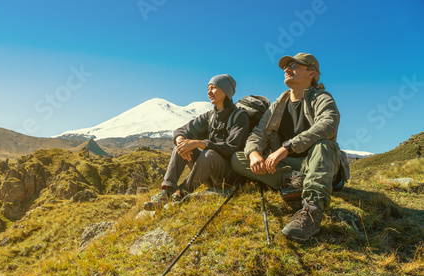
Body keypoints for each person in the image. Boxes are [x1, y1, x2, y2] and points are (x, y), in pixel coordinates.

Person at [231, 53, 349, 241]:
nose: (287, 69)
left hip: (318, 163)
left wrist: (287, 147)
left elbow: (329, 124)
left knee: (324, 145)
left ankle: (312, 213)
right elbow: (259, 132)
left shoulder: (322, 98)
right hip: (290, 166)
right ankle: (293, 181)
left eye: (294, 65)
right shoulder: (280, 102)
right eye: (286, 66)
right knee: (238, 158)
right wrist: (253, 153)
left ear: (311, 73)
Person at [144, 74, 250, 210]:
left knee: (210, 154)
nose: (209, 92)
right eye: (208, 88)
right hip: (207, 173)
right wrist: (181, 140)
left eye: (214, 88)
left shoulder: (240, 117)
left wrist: (201, 143)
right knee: (181, 146)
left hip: (227, 177)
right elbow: (181, 130)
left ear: (226, 90)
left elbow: (231, 148)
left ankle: (183, 193)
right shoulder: (210, 116)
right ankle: (167, 192)